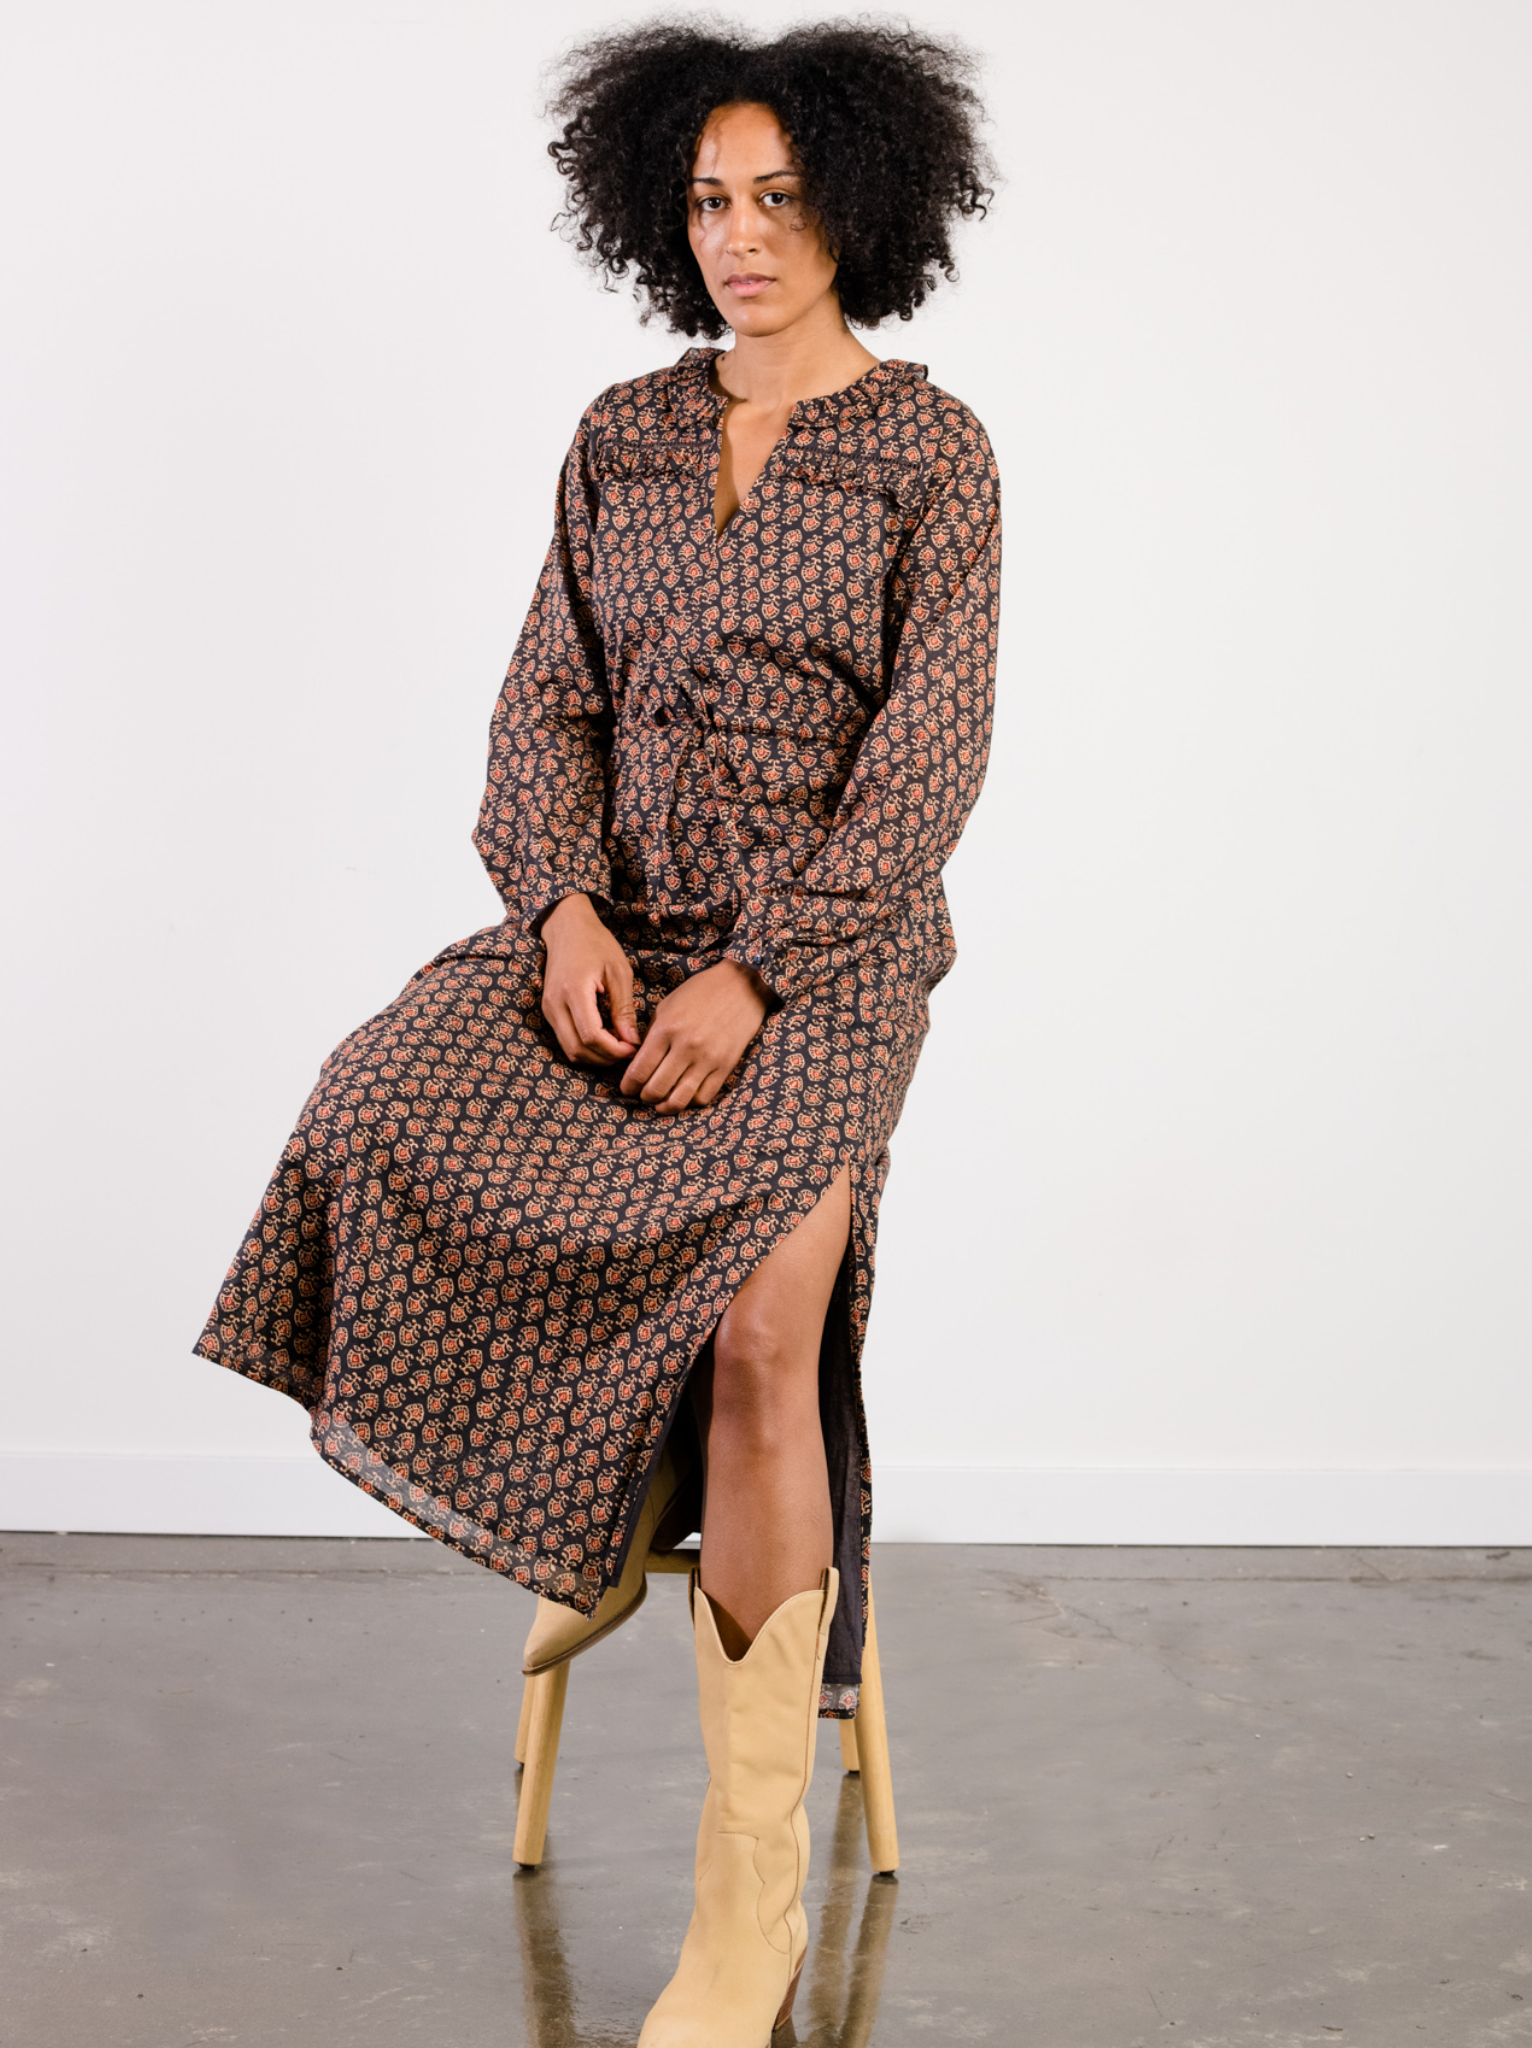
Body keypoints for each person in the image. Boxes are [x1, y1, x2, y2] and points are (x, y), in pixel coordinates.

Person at [196, 20, 998, 2042]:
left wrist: (761, 973)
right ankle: (613, 1496)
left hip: (829, 962)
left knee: (765, 1327)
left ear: (859, 207)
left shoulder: (933, 453)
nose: (742, 237)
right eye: (710, 202)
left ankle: (748, 1913)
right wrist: (557, 904)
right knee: (380, 1096)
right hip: (612, 925)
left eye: (781, 199)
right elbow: (543, 700)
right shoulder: (620, 434)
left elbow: (928, 766)